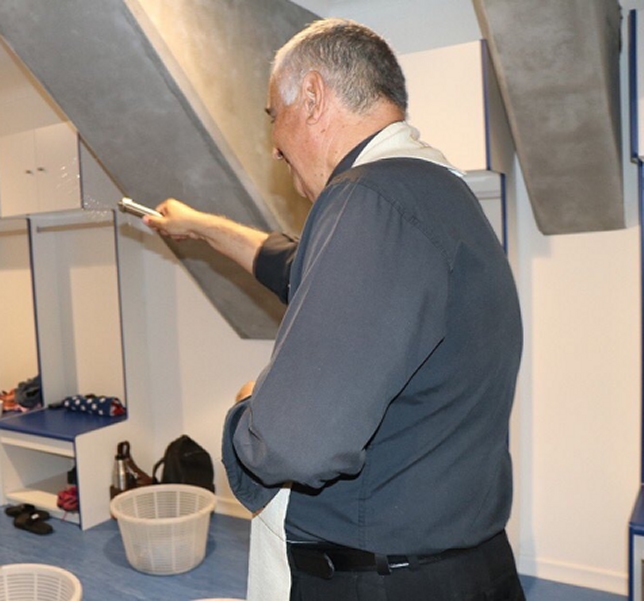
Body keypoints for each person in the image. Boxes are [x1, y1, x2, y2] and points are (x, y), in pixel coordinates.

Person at [145, 17, 524, 601]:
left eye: (275, 115)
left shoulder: (366, 198)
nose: (274, 146)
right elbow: (295, 268)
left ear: (314, 96)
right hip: (467, 568)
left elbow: (294, 443)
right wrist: (200, 227)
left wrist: (250, 406)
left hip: (382, 583)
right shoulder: (436, 198)